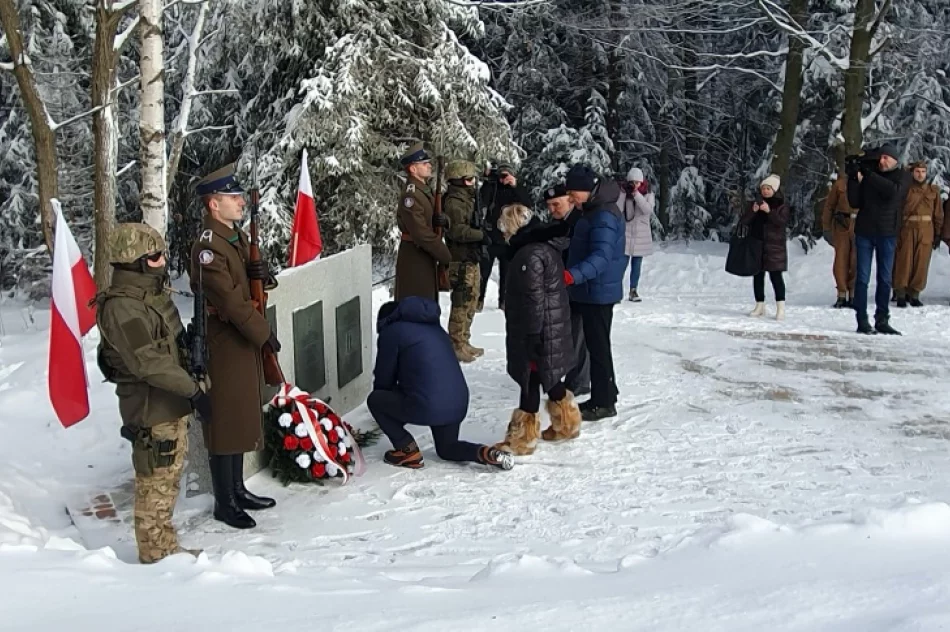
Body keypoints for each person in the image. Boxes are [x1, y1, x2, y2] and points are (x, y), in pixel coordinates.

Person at [96, 223, 207, 564]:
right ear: (137, 262)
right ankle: (156, 555)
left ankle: (165, 546)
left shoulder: (151, 295)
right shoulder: (123, 308)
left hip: (169, 402)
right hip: (150, 407)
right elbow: (148, 363)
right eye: (156, 256)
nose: (163, 261)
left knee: (168, 478)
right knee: (155, 483)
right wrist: (194, 391)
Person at [191, 163, 277, 530]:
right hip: (225, 341)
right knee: (225, 421)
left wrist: (264, 274)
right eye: (232, 197)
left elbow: (251, 286)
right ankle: (224, 501)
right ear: (214, 204)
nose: (240, 202)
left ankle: (238, 489)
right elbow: (230, 302)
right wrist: (263, 334)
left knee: (241, 414)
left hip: (242, 337)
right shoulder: (208, 247)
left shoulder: (234, 237)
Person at [368, 297, 513, 471]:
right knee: (447, 448)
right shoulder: (435, 329)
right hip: (457, 402)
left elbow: (384, 380)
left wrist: (391, 415)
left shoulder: (392, 332)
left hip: (428, 404)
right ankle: (486, 453)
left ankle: (407, 450)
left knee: (375, 400)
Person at [495, 203, 581, 455]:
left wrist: (532, 335)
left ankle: (522, 439)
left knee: (530, 379)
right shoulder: (542, 247)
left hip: (538, 329)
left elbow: (533, 299)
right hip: (550, 327)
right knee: (549, 376)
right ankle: (567, 423)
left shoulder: (528, 255)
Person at [562, 164, 626, 421]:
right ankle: (607, 390)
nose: (570, 198)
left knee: (598, 347)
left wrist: (571, 275)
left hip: (597, 292)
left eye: (572, 193)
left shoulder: (603, 216)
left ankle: (604, 402)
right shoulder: (593, 210)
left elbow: (600, 258)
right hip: (590, 290)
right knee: (595, 344)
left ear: (586, 190)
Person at [847, 143, 911, 335]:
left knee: (884, 278)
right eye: (880, 157)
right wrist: (852, 178)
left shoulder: (903, 176)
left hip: (887, 232)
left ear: (895, 160)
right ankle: (862, 319)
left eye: (886, 158)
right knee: (862, 278)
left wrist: (869, 175)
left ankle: (882, 319)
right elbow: (855, 202)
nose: (882, 161)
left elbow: (892, 193)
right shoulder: (869, 175)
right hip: (865, 230)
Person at [545, 185, 590, 397]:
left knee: (578, 335)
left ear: (570, 201)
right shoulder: (558, 223)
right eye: (549, 206)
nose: (552, 209)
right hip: (563, 286)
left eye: (557, 204)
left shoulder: (580, 221)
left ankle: (579, 381)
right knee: (568, 334)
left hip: (578, 284)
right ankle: (572, 376)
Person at [444, 160, 490, 362]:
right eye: (469, 179)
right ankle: (456, 344)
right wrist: (481, 235)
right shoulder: (455, 202)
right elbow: (456, 231)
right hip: (460, 258)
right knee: (461, 302)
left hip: (471, 256)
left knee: (472, 300)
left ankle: (464, 339)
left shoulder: (468, 198)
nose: (473, 182)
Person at [394, 142, 451, 301]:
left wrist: (444, 221)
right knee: (416, 305)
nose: (429, 166)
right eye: (424, 163)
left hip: (426, 255)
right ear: (413, 169)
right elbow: (420, 233)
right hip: (415, 258)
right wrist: (443, 252)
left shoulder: (424, 191)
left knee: (427, 303)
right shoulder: (411, 196)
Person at [478, 162, 532, 311]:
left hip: (509, 238)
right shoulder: (493, 187)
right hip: (491, 237)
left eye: (506, 175)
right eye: (502, 175)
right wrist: (490, 181)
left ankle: (504, 301)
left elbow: (527, 205)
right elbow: (482, 199)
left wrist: (516, 186)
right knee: (484, 271)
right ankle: (479, 300)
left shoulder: (516, 190)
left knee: (507, 275)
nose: (504, 179)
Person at [892, 160, 943, 308]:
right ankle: (900, 293)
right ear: (912, 173)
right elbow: (897, 210)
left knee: (921, 262)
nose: (920, 175)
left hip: (926, 229)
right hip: (907, 227)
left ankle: (914, 293)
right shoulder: (905, 189)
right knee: (904, 261)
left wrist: (938, 233)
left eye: (923, 172)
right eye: (917, 172)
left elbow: (938, 214)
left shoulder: (933, 191)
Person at [743, 174, 790, 321]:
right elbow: (744, 221)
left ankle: (780, 307)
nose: (765, 191)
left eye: (768, 188)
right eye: (763, 188)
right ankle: (759, 304)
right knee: (757, 275)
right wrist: (753, 211)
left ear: (774, 190)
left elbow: (781, 222)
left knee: (776, 276)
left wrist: (769, 211)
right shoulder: (755, 203)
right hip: (758, 244)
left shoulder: (781, 205)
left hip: (775, 246)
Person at [618, 167, 655, 302]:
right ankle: (617, 290)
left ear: (642, 182)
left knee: (637, 265)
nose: (635, 185)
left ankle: (633, 290)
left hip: (641, 234)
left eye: (637, 183)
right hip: (626, 233)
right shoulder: (624, 193)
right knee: (621, 264)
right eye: (632, 182)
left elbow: (647, 210)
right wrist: (623, 193)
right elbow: (618, 209)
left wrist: (636, 194)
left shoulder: (648, 194)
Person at [821, 171, 857, 308]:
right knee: (841, 260)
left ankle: (854, 293)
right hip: (842, 224)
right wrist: (826, 227)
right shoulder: (840, 184)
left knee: (856, 260)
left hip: (860, 225)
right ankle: (841, 293)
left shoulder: (867, 182)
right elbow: (829, 206)